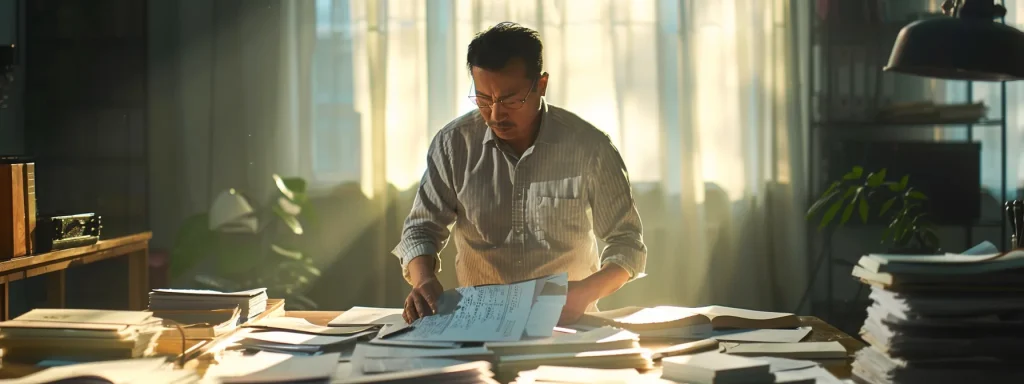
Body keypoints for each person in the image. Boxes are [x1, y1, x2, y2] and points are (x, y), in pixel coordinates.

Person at [392, 22, 647, 326]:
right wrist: (422, 280)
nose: (496, 114)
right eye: (484, 99)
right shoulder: (454, 145)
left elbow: (627, 243)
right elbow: (421, 229)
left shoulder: (590, 148)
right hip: (478, 322)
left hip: (568, 323)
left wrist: (585, 292)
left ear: (541, 85)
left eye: (511, 100)